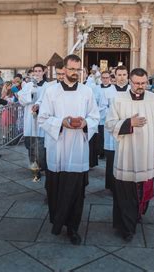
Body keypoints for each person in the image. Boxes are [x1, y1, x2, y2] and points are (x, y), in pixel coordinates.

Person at [38, 54, 99, 245]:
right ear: (64, 69)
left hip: (78, 149)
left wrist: (85, 122)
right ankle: (58, 222)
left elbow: (95, 117)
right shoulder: (51, 92)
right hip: (57, 149)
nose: (75, 73)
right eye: (71, 69)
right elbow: (43, 119)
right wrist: (61, 122)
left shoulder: (87, 92)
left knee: (75, 191)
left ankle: (73, 227)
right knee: (55, 189)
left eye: (78, 69)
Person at [105, 68, 154, 242]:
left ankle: (137, 214)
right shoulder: (119, 99)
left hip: (148, 153)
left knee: (143, 189)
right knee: (125, 192)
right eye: (136, 83)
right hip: (126, 153)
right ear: (130, 82)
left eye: (143, 83)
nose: (140, 86)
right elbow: (109, 123)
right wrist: (128, 123)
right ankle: (126, 227)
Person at [18, 64, 48, 182]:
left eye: (39, 71)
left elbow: (48, 101)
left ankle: (41, 167)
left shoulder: (47, 86)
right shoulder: (28, 85)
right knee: (30, 147)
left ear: (43, 72)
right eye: (35, 71)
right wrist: (30, 94)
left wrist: (39, 104)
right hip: (29, 120)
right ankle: (34, 169)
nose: (37, 73)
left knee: (40, 147)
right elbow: (21, 99)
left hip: (41, 121)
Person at [102, 66, 130, 190]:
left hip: (128, 128)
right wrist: (114, 115)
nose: (122, 77)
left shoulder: (131, 91)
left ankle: (125, 183)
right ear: (115, 76)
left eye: (124, 75)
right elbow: (102, 108)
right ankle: (112, 185)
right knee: (112, 157)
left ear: (128, 76)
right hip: (112, 130)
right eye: (119, 75)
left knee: (127, 157)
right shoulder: (108, 91)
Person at [98, 71, 112, 159]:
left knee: (109, 135)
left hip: (110, 115)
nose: (105, 79)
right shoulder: (96, 88)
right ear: (101, 78)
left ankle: (108, 153)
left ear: (110, 78)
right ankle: (101, 152)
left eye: (107, 78)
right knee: (101, 135)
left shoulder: (113, 89)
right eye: (103, 78)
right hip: (100, 114)